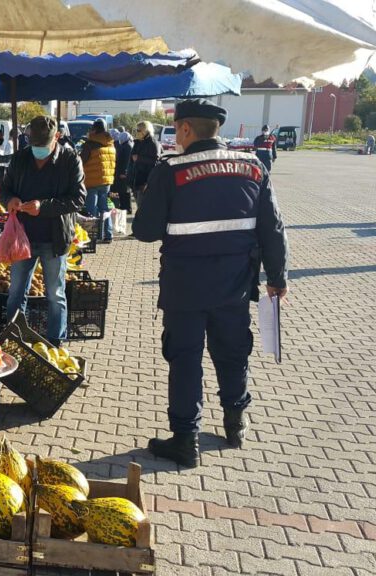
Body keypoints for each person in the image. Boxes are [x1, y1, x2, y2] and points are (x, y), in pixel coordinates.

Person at [133, 99, 289, 468]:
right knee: (233, 352)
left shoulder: (170, 170)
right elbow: (274, 227)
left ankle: (186, 440)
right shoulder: (252, 166)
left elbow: (144, 231)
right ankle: (235, 422)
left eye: (176, 129)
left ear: (186, 129)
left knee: (185, 358)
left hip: (184, 286)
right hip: (234, 285)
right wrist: (278, 277)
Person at [0, 116, 87, 345]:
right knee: (16, 293)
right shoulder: (20, 158)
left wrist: (44, 207)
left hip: (54, 239)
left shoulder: (70, 160)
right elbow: (4, 189)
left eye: (43, 146)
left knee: (55, 295)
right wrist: (9, 199)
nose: (38, 150)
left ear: (56, 138)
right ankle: (14, 340)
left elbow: (78, 198)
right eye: (34, 145)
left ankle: (55, 343)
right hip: (23, 238)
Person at [80, 119, 116, 241]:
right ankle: (108, 234)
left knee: (91, 209)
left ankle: (92, 236)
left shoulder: (89, 144)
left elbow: (81, 161)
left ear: (94, 130)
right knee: (104, 208)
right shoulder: (110, 143)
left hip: (92, 181)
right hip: (106, 181)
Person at [131, 121, 160, 200]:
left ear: (145, 131)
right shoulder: (138, 142)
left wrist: (139, 158)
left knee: (142, 207)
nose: (137, 132)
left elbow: (156, 161)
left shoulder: (153, 143)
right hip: (137, 180)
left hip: (146, 181)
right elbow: (132, 158)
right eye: (136, 130)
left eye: (138, 130)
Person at [113, 131, 134, 215]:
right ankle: (125, 208)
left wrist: (124, 172)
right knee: (124, 191)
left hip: (123, 173)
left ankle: (126, 208)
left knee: (124, 191)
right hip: (124, 172)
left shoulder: (127, 147)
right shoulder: (126, 145)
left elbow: (127, 161)